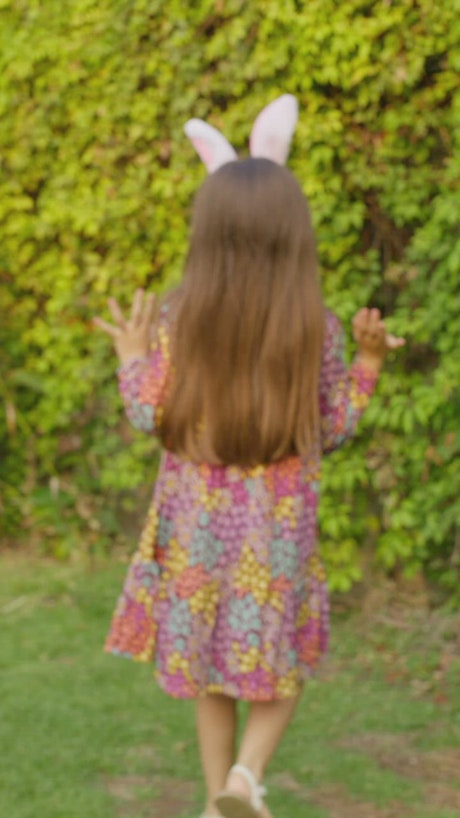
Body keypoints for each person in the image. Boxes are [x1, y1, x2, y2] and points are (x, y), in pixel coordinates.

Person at [94, 96, 404, 818]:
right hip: (277, 533)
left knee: (211, 672)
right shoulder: (317, 330)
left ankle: (217, 799)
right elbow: (335, 425)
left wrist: (134, 358)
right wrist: (367, 364)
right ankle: (242, 782)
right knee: (280, 663)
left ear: (209, 234)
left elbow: (150, 414)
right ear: (294, 236)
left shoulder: (180, 321)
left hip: (196, 534)